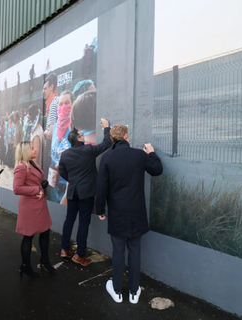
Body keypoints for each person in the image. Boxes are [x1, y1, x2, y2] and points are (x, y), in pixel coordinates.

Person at [95, 125, 163, 304]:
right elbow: (157, 170)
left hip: (117, 213)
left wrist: (100, 210)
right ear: (126, 136)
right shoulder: (139, 155)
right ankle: (134, 292)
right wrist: (151, 153)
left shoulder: (107, 157)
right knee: (135, 251)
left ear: (113, 139)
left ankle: (116, 291)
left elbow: (101, 187)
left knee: (118, 252)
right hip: (137, 213)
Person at [58, 117, 111, 266]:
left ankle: (65, 249)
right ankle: (80, 255)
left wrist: (73, 180)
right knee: (83, 223)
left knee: (69, 220)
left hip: (72, 192)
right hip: (86, 193)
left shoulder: (66, 154)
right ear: (79, 139)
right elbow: (107, 143)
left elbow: (62, 171)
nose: (84, 136)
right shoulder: (88, 150)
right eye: (81, 135)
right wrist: (106, 127)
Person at [13, 141, 56, 278]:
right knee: (29, 236)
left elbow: (35, 180)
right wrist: (37, 188)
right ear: (25, 151)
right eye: (32, 149)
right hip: (30, 206)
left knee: (45, 231)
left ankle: (44, 260)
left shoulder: (32, 164)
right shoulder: (21, 167)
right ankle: (25, 266)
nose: (35, 150)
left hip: (39, 204)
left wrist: (43, 183)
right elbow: (17, 188)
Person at [47, 90, 73, 203]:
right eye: (60, 104)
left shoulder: (75, 128)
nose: (63, 107)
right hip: (53, 184)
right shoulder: (56, 126)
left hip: (67, 188)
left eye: (67, 103)